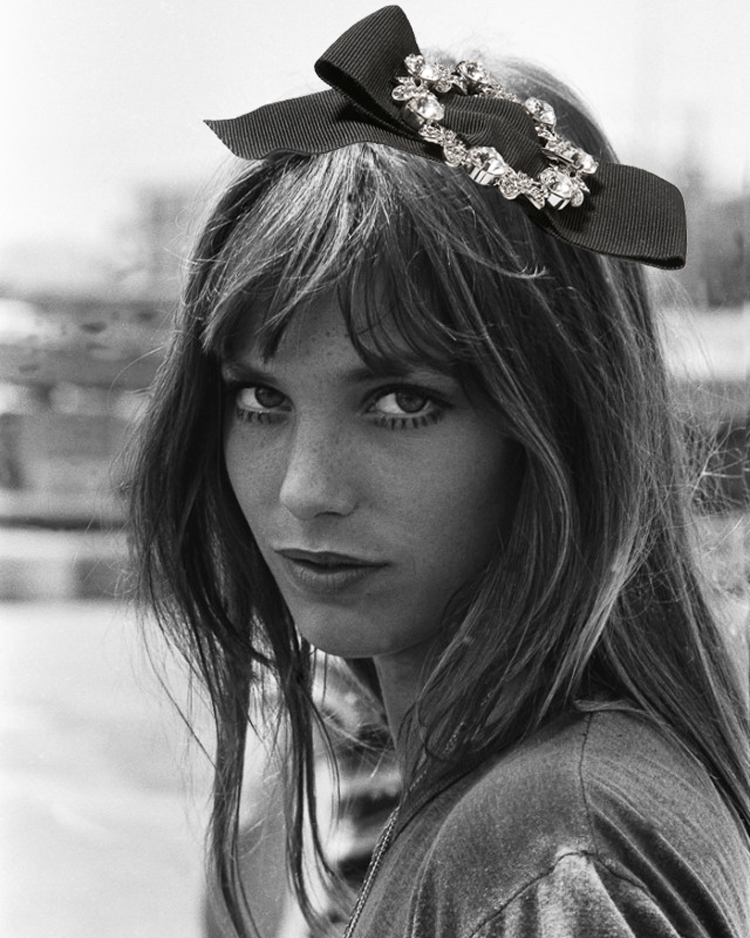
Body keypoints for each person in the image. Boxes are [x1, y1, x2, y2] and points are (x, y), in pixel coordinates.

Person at [127, 7, 750, 937]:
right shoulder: (540, 810)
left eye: (402, 403)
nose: (305, 490)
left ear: (563, 425)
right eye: (261, 398)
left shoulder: (541, 861)